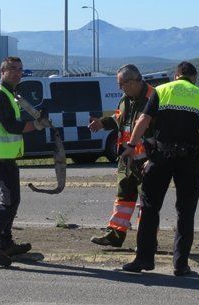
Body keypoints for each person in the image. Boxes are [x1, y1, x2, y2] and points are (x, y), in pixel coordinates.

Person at [119, 61, 199, 276]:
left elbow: (143, 120)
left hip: (160, 157)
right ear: (194, 78)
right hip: (189, 161)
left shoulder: (161, 90)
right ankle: (180, 264)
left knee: (149, 208)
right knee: (185, 212)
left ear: (176, 76)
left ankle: (144, 260)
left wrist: (130, 146)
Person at [0, 56, 45, 267]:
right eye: (12, 69)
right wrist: (37, 125)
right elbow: (12, 127)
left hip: (4, 156)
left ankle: (6, 243)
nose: (17, 73)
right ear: (2, 71)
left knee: (13, 201)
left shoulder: (8, 93)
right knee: (7, 202)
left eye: (20, 69)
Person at [88, 64, 156, 247]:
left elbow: (161, 132)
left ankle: (146, 241)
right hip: (127, 160)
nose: (119, 88)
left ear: (133, 82)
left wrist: (154, 158)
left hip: (146, 161)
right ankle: (115, 235)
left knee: (147, 204)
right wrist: (101, 123)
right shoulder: (126, 98)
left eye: (121, 84)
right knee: (123, 199)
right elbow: (119, 119)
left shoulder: (154, 98)